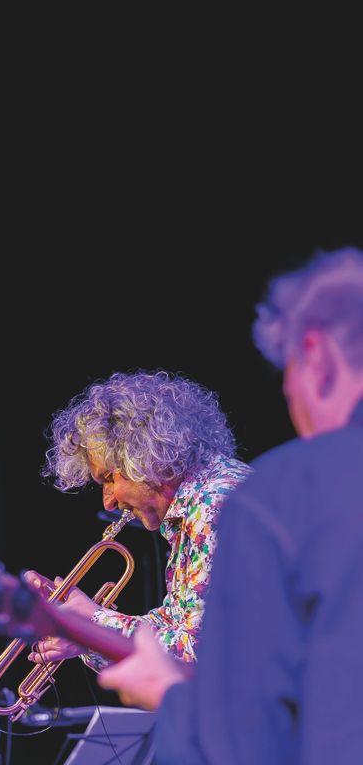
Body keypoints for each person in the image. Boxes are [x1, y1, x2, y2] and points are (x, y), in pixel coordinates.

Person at [97, 246, 363, 765]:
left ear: (316, 356)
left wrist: (168, 698)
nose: (290, 396)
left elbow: (243, 739)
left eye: (287, 373)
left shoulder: (276, 497)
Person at [26, 370, 252, 672]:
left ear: (147, 457)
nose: (108, 502)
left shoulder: (215, 506)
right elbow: (177, 628)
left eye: (109, 478)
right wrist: (84, 633)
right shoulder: (200, 503)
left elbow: (203, 654)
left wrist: (95, 622)